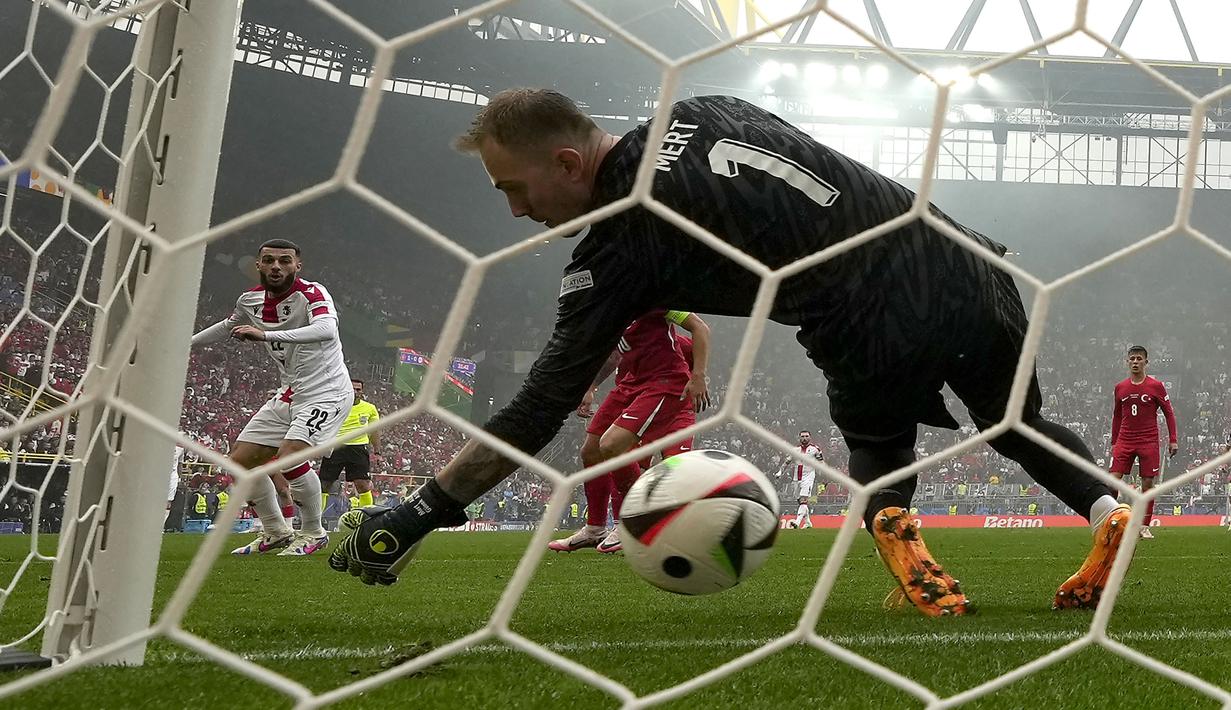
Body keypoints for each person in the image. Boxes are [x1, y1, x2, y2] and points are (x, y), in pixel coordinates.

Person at [331, 89, 1129, 617]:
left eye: (514, 187)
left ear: (568, 164)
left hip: (869, 307)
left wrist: (419, 513)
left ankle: (922, 578)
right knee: (1014, 423)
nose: (514, 211)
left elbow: (542, 402)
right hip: (965, 256)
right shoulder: (704, 104)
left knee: (878, 442)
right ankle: (1108, 508)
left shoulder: (619, 249)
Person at [191, 239, 353, 556]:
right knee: (240, 462)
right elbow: (228, 326)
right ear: (259, 265)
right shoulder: (250, 301)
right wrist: (184, 345)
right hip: (290, 393)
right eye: (269, 260)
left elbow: (326, 330)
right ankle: (276, 530)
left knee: (290, 456)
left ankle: (313, 532)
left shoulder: (312, 294)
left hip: (327, 391)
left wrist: (266, 334)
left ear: (297, 266)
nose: (276, 266)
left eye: (284, 261)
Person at [548, 310, 709, 553]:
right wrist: (591, 387)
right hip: (631, 386)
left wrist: (698, 377)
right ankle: (595, 528)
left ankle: (641, 519)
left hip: (666, 386)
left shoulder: (652, 296)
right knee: (591, 451)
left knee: (620, 448)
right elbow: (614, 355)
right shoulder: (609, 310)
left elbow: (700, 329)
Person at [1108, 346, 1178, 539]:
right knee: (1113, 480)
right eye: (1132, 359)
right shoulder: (1120, 387)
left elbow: (1169, 413)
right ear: (1127, 362)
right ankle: (1110, 521)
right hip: (1125, 439)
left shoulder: (1155, 386)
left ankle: (1144, 526)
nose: (1135, 361)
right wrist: (1115, 441)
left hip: (1148, 441)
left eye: (1139, 358)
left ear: (1146, 362)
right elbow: (1117, 415)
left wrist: (1173, 439)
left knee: (1147, 483)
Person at [320, 378, 381, 512]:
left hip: (358, 448)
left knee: (363, 485)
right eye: (352, 388)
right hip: (335, 446)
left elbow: (374, 431)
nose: (355, 391)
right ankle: (315, 521)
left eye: (358, 389)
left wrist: (377, 452)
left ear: (362, 391)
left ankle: (364, 519)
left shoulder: (370, 408)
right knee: (324, 484)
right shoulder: (336, 405)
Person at [782, 430, 822, 529]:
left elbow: (821, 462)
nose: (804, 438)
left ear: (810, 437)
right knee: (800, 501)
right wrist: (780, 472)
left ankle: (797, 521)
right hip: (797, 478)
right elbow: (787, 461)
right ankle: (808, 522)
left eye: (806, 436)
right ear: (799, 438)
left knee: (804, 500)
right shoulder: (795, 450)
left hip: (809, 477)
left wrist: (822, 473)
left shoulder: (815, 449)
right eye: (802, 436)